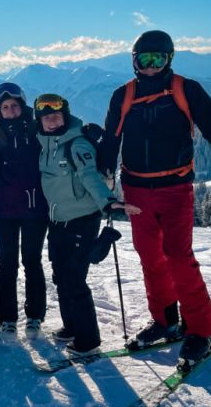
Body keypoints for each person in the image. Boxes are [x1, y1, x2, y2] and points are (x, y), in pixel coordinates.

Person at [98, 30, 211, 364]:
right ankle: (165, 320)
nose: (151, 67)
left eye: (158, 59)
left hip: (176, 188)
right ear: (134, 62)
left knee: (178, 257)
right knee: (150, 257)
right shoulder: (123, 94)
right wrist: (105, 170)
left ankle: (200, 330)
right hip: (136, 190)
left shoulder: (185, 88)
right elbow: (111, 137)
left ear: (169, 59)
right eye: (144, 60)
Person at [35, 93, 140, 355]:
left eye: (56, 116)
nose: (51, 121)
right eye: (46, 118)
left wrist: (108, 202)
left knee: (74, 280)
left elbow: (89, 175)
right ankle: (71, 327)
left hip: (82, 221)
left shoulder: (77, 144)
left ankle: (88, 340)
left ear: (65, 116)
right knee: (61, 277)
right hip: (57, 221)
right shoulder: (45, 144)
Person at [0, 82, 48, 338]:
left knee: (32, 261)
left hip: (35, 209)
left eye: (14, 105)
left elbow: (60, 134)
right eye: (5, 107)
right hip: (4, 211)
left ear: (22, 106)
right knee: (7, 264)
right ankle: (7, 317)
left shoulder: (37, 130)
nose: (10, 111)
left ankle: (35, 316)